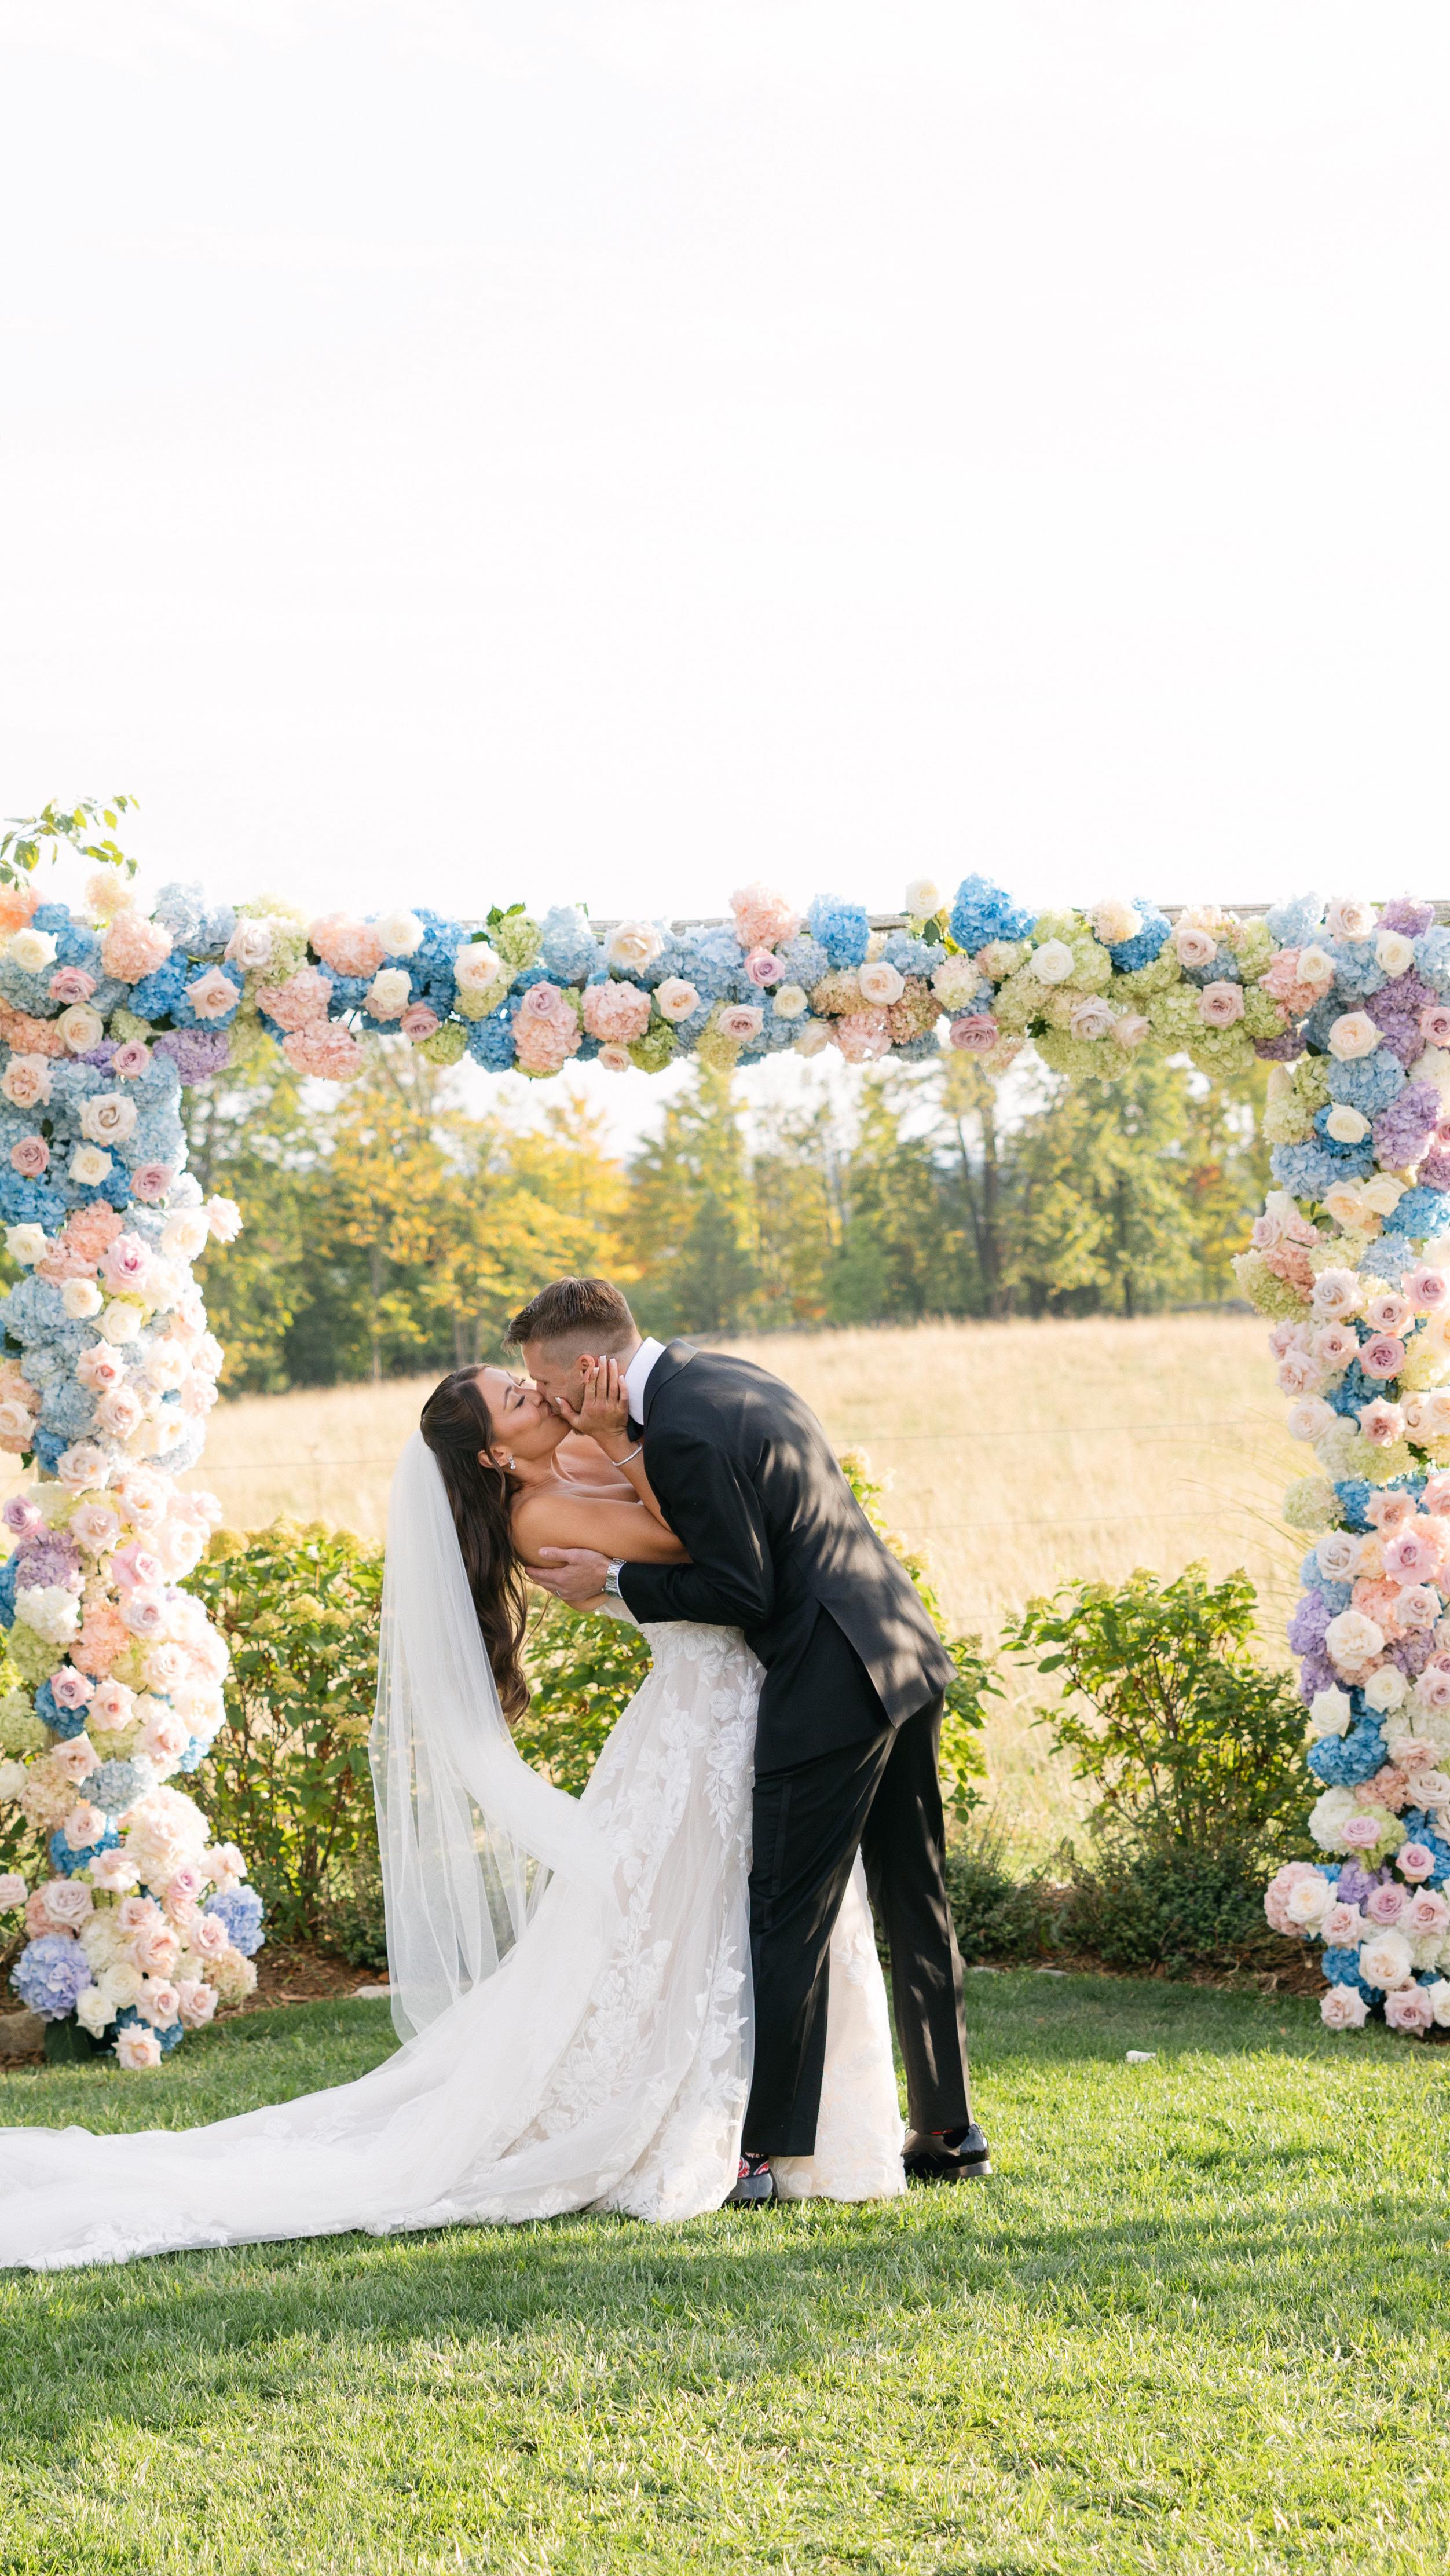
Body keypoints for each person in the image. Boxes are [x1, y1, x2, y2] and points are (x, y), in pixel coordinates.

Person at [0, 1364, 905, 2270]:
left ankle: (793, 2125)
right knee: (697, 1927)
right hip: (702, 1719)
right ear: (494, 1455)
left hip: (732, 1705)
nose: (536, 1393)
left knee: (738, 1918)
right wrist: (634, 1448)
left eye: (523, 1379)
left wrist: (618, 1433)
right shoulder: (540, 1514)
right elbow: (695, 1539)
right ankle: (707, 2123)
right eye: (517, 1399)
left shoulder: (572, 1454)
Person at [513, 1276, 990, 2205]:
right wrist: (612, 1451)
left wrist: (615, 1578)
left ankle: (764, 2152)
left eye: (547, 1381)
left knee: (783, 1911)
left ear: (588, 1366)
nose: (551, 1401)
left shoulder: (682, 1430)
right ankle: (949, 2131)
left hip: (829, 1684)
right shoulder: (720, 1375)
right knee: (915, 1901)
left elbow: (745, 1592)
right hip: (899, 1647)